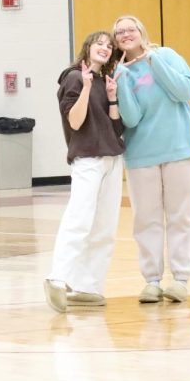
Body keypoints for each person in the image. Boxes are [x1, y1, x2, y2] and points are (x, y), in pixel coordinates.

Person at [111, 15, 190, 304]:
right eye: (119, 32)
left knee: (180, 216)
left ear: (141, 31)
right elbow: (132, 118)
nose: (126, 34)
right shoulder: (120, 72)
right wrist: (123, 79)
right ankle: (151, 280)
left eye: (130, 29)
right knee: (146, 220)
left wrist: (153, 62)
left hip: (180, 149)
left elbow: (184, 92)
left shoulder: (167, 55)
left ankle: (180, 279)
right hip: (141, 155)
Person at [44, 31, 125, 313]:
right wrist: (88, 88)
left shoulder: (106, 81)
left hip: (112, 159)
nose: (105, 48)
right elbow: (75, 122)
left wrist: (113, 99)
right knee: (79, 220)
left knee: (105, 226)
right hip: (87, 159)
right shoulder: (74, 77)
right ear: (88, 47)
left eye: (109, 46)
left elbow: (116, 129)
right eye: (100, 43)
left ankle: (88, 286)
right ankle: (57, 278)